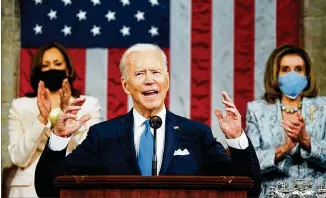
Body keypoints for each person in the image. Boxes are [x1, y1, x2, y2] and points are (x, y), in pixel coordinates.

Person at [35, 43, 261, 198]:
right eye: (140, 73)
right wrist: (59, 139)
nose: (149, 81)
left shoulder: (196, 134)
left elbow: (248, 188)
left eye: (155, 72)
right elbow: (48, 189)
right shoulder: (102, 136)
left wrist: (236, 139)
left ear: (167, 80)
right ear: (125, 85)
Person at [7, 42, 102, 197]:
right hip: (28, 190)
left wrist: (71, 116)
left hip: (74, 186)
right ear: (38, 71)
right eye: (46, 65)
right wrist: (41, 119)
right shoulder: (20, 106)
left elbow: (92, 154)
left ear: (67, 69)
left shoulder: (88, 104)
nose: (52, 69)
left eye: (57, 64)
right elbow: (18, 158)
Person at [245, 44, 326, 197]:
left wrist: (307, 142)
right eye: (285, 69)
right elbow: (250, 164)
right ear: (275, 74)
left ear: (307, 74)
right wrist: (283, 149)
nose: (292, 75)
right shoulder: (256, 110)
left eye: (298, 69)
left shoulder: (323, 107)